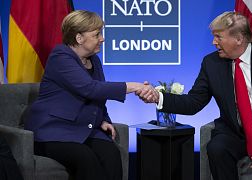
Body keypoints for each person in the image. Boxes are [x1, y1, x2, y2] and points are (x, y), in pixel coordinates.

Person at [141, 11, 252, 180]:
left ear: (239, 39)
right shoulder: (211, 63)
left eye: (218, 37)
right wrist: (158, 97)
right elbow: (194, 102)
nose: (214, 42)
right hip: (237, 132)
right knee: (217, 148)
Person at [24, 10, 156, 180]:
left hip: (80, 130)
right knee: (85, 157)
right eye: (97, 34)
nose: (102, 38)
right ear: (79, 38)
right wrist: (134, 86)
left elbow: (99, 96)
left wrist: (104, 119)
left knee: (111, 154)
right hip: (52, 131)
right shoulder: (60, 57)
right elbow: (90, 88)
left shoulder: (94, 60)